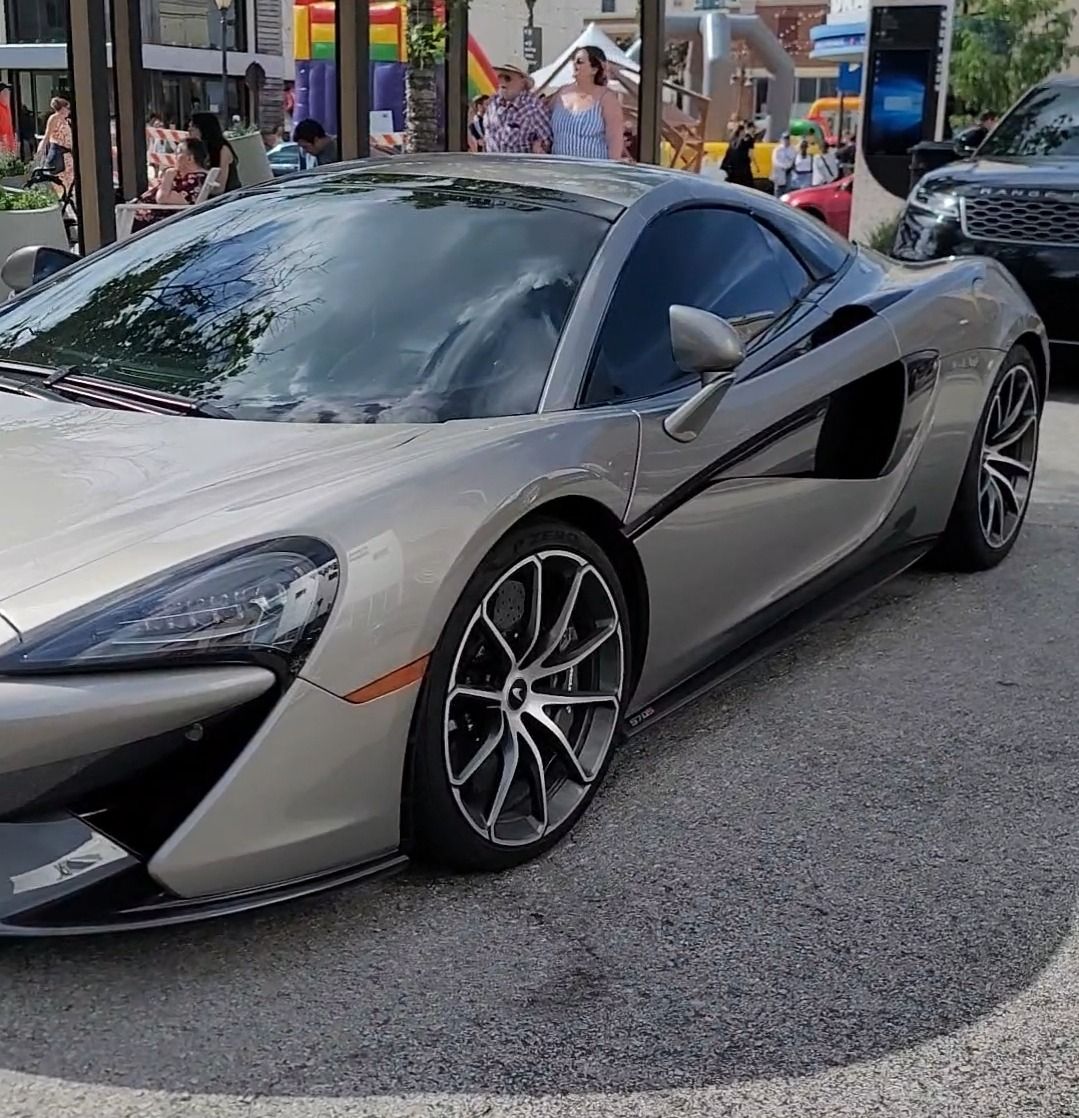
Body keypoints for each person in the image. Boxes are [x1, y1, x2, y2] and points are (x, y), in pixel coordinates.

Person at [549, 46, 624, 161]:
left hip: (592, 172)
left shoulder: (606, 98)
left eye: (580, 62)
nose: (574, 65)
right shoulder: (561, 93)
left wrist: (613, 167)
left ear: (594, 70)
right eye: (573, 61)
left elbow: (615, 139)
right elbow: (542, 120)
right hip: (559, 171)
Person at [130, 139, 210, 233]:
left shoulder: (194, 181)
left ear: (190, 159)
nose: (175, 157)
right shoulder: (185, 177)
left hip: (153, 221)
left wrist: (168, 175)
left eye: (178, 152)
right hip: (145, 213)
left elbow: (162, 198)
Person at [483, 60, 551, 155]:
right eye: (500, 77)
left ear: (523, 82)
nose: (502, 81)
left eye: (507, 78)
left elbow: (547, 143)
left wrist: (540, 147)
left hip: (518, 168)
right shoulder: (493, 104)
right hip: (490, 166)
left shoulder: (533, 108)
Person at [188, 112, 240, 192]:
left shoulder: (223, 150)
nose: (189, 130)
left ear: (204, 129)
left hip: (228, 196)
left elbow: (220, 187)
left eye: (193, 127)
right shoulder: (198, 148)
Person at [36, 97, 74, 199]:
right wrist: (41, 149)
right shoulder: (54, 118)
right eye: (68, 108)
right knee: (58, 176)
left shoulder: (66, 121)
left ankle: (66, 197)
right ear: (63, 108)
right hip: (59, 151)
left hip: (67, 154)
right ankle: (60, 197)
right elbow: (47, 135)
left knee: (70, 177)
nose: (69, 111)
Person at [721, 122, 754, 188]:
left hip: (731, 168)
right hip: (743, 169)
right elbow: (750, 155)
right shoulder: (748, 140)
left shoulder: (732, 140)